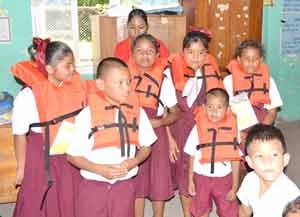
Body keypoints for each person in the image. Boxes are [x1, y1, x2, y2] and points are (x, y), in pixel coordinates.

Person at [66, 57, 157, 217]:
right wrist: (101, 170)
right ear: (101, 84)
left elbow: (146, 146)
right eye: (120, 83)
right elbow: (72, 156)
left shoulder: (137, 112)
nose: (127, 88)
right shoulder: (86, 115)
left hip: (124, 186)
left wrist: (133, 161)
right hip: (92, 186)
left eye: (128, 82)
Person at [11, 38, 86, 217]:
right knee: (39, 197)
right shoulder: (28, 96)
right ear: (50, 69)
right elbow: (19, 134)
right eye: (67, 66)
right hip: (40, 152)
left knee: (70, 196)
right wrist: (21, 168)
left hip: (67, 149)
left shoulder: (73, 89)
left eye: (73, 64)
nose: (72, 69)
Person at [167, 30, 223, 217]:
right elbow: (164, 108)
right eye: (191, 52)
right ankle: (186, 212)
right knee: (183, 173)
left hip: (204, 131)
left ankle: (201, 209)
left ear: (207, 55)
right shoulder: (171, 73)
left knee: (201, 171)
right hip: (180, 129)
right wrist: (169, 139)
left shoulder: (212, 74)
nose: (196, 57)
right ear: (183, 52)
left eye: (201, 53)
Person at [128, 33, 180, 217]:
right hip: (131, 133)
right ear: (132, 54)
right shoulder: (124, 77)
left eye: (150, 51)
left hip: (156, 132)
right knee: (137, 178)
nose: (145, 55)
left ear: (157, 55)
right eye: (140, 51)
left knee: (158, 177)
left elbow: (175, 112)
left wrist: (159, 122)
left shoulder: (164, 81)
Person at [184, 88, 241, 217]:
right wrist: (190, 180)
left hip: (224, 178)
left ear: (227, 110)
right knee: (201, 208)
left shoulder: (233, 130)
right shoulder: (197, 128)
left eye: (219, 107)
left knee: (228, 210)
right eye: (210, 107)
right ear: (203, 108)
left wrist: (235, 185)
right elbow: (192, 155)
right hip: (201, 177)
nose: (214, 111)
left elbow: (235, 160)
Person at [224, 39, 283, 144]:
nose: (251, 62)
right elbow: (225, 110)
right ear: (239, 59)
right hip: (237, 128)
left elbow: (272, 112)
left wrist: (257, 132)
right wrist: (237, 132)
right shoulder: (228, 81)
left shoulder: (269, 81)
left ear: (261, 60)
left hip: (262, 127)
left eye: (255, 59)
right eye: (247, 59)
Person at [237, 124, 300, 217]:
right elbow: (244, 211)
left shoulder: (292, 197)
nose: (267, 161)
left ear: (285, 159)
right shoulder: (250, 179)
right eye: (260, 156)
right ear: (250, 162)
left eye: (274, 155)